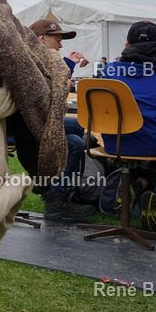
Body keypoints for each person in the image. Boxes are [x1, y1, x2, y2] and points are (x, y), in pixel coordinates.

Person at [101, 21, 156, 231]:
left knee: (146, 142)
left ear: (126, 43)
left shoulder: (110, 70)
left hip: (115, 145)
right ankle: (144, 183)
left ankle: (135, 185)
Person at [29, 19, 96, 222]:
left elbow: (52, 85)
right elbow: (47, 97)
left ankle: (47, 185)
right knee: (76, 142)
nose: (60, 45)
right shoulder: (29, 61)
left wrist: (68, 64)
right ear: (41, 39)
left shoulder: (37, 58)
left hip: (36, 119)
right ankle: (54, 199)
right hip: (26, 122)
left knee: (78, 127)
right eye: (57, 40)